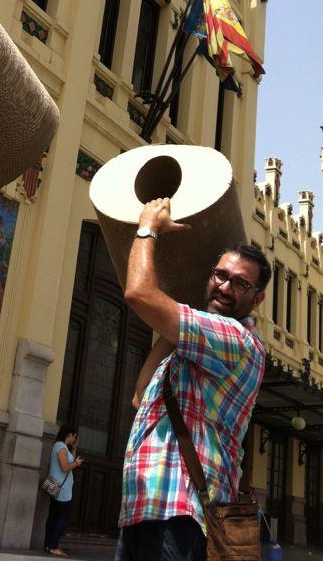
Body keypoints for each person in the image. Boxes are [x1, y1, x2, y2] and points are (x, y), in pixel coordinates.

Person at [116, 197, 270, 561]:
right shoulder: (194, 348)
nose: (226, 288)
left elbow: (138, 293)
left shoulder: (237, 341)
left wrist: (147, 228)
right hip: (146, 508)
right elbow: (141, 396)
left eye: (241, 284)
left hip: (183, 514)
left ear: (258, 298)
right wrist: (178, 316)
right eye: (220, 276)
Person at [44, 424, 83, 557]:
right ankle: (53, 546)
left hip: (58, 487)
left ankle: (49, 545)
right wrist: (76, 463)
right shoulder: (60, 447)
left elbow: (69, 461)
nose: (74, 438)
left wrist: (74, 449)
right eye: (74, 436)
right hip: (61, 489)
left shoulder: (62, 447)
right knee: (62, 518)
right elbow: (65, 467)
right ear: (69, 435)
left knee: (53, 516)